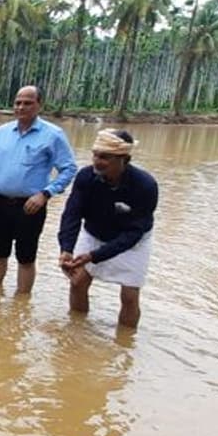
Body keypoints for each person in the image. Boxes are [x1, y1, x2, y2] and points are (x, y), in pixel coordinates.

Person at [0, 86, 78, 295]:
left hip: (31, 205)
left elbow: (69, 169)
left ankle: (21, 303)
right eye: (18, 102)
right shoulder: (1, 133)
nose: (21, 107)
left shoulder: (53, 135)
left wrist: (46, 193)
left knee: (26, 257)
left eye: (28, 103)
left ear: (39, 105)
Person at [58, 129, 158, 329]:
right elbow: (72, 214)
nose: (97, 161)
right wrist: (66, 248)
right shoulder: (86, 177)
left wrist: (94, 256)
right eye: (95, 155)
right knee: (77, 282)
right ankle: (76, 330)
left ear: (124, 160)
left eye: (104, 157)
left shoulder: (145, 186)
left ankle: (126, 340)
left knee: (129, 296)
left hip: (132, 242)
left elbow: (134, 233)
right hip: (94, 232)